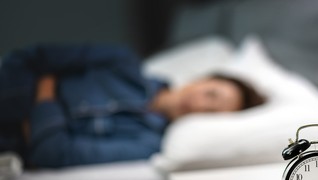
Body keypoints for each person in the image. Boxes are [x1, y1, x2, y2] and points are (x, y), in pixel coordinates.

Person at [0, 44, 265, 168]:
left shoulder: (146, 144)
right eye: (210, 95)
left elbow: (52, 153)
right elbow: (28, 59)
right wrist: (38, 120)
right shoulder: (121, 62)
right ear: (203, 79)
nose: (198, 106)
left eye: (210, 114)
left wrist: (46, 89)